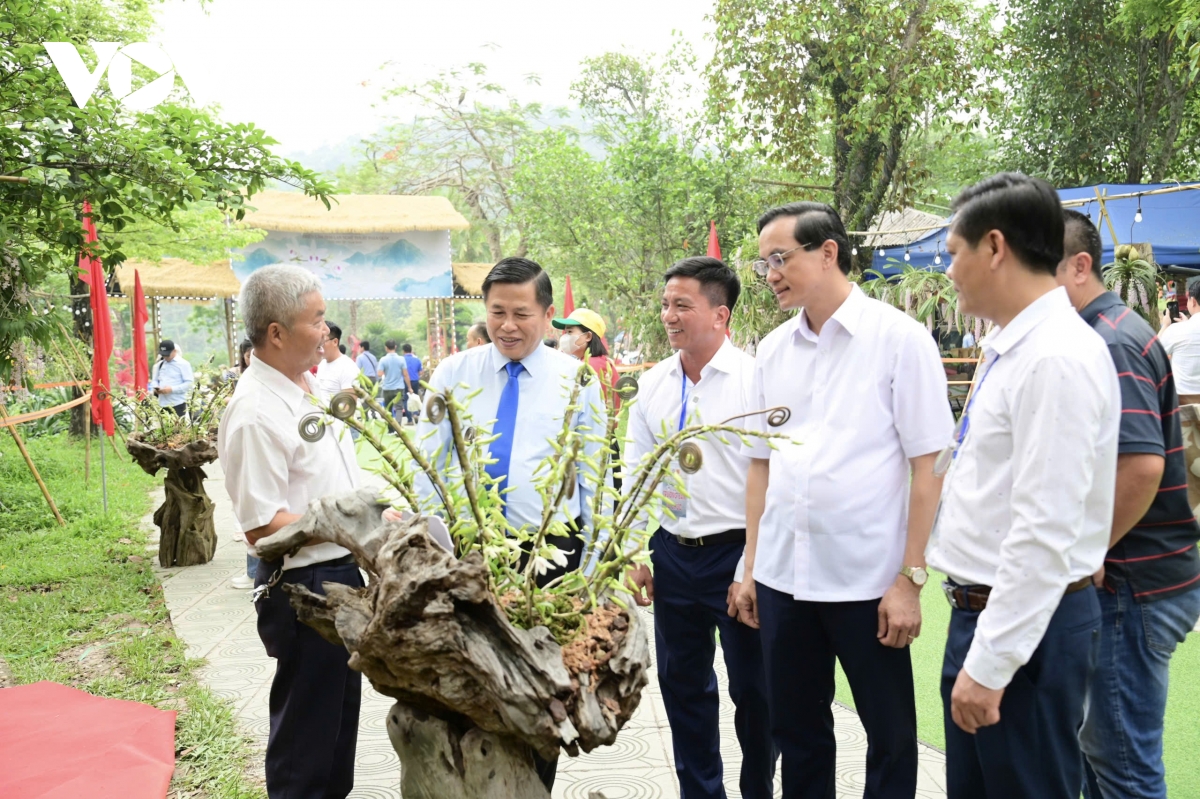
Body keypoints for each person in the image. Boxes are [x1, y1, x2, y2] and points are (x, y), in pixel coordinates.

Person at [734, 201, 953, 799]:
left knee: (889, 737)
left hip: (868, 583)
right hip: (783, 578)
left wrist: (910, 577)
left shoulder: (899, 340)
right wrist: (751, 566)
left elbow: (929, 465)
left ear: (828, 252)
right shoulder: (772, 350)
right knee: (798, 732)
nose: (770, 273)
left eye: (780, 258)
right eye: (763, 265)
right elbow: (760, 466)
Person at [928, 174, 1119, 799]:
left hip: (1022, 630)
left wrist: (990, 665)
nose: (948, 270)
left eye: (953, 252)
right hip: (988, 615)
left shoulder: (1055, 357)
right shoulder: (1014, 346)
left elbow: (1043, 529)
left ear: (994, 247)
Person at [414, 257, 606, 793]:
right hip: (470, 556)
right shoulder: (454, 373)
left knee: (541, 691)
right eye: (497, 312)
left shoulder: (577, 382)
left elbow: (593, 473)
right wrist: (426, 546)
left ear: (548, 316)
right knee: (468, 682)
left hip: (552, 557)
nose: (508, 325)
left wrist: (592, 565)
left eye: (522, 313)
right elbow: (428, 464)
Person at [1054, 209, 1200, 799]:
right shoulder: (1110, 330)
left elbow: (1141, 467)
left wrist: (1088, 548)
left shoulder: (1109, 339)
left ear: (1080, 267)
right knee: (1102, 752)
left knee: (1122, 764)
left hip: (1131, 583)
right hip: (1133, 579)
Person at [624, 256, 776, 799]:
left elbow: (774, 478)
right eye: (665, 304)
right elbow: (640, 471)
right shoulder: (652, 384)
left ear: (720, 315)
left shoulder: (756, 380)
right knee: (684, 688)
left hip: (738, 556)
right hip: (673, 555)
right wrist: (634, 553)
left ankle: (758, 787)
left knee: (756, 694)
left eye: (682, 305)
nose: (669, 315)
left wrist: (750, 568)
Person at [217, 264, 365, 799]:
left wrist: (368, 519)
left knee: (337, 733)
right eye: (317, 319)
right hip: (305, 588)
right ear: (276, 333)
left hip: (340, 574)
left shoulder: (308, 388)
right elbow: (261, 524)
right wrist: (351, 525)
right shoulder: (255, 411)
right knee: (305, 747)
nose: (326, 330)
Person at [230, 339, 261, 591]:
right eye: (247, 354)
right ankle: (253, 572)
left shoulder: (254, 378)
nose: (250, 357)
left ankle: (254, 573)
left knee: (255, 514)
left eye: (253, 353)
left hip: (254, 453)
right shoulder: (247, 377)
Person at [551, 308, 620, 411]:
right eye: (565, 332)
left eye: (570, 332)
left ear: (588, 336)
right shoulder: (593, 362)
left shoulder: (592, 366)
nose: (565, 337)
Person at [1159, 280, 1200, 404]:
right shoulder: (1182, 328)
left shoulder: (1176, 330)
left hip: (1182, 407)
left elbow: (1151, 352)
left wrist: (1165, 326)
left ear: (1193, 301)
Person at [315, 323, 361, 402]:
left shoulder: (347, 367)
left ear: (335, 342)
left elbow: (349, 405)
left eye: (323, 341)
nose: (319, 345)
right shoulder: (322, 364)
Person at [149, 339, 193, 416]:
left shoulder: (183, 364)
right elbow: (154, 380)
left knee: (177, 427)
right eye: (163, 354)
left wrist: (172, 389)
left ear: (174, 351)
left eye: (167, 354)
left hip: (177, 404)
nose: (165, 357)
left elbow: (189, 384)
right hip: (162, 404)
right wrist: (156, 388)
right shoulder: (159, 365)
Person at [378, 339, 411, 425]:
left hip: (387, 388)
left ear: (386, 348)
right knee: (399, 408)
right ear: (395, 347)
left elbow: (379, 373)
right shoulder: (401, 359)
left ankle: (390, 429)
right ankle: (398, 427)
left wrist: (387, 371)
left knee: (388, 409)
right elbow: (405, 374)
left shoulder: (383, 360)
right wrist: (410, 387)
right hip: (399, 387)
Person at [401, 343, 423, 424]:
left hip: (405, 381)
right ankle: (415, 413)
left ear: (403, 351)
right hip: (415, 381)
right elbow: (421, 372)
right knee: (415, 398)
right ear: (411, 350)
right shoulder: (417, 360)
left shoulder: (401, 360)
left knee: (406, 399)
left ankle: (409, 419)